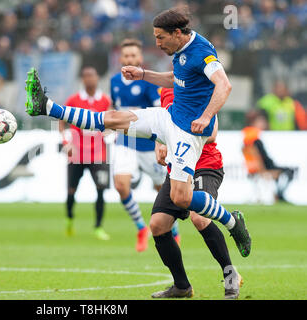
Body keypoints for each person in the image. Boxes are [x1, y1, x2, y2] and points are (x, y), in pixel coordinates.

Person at [24, 9, 252, 293]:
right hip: (168, 119)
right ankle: (47, 107)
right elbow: (176, 79)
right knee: (113, 118)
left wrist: (206, 117)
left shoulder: (202, 51)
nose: (156, 43)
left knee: (184, 199)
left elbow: (224, 84)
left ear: (177, 34)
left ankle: (232, 223)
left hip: (187, 135)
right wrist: (144, 74)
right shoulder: (182, 53)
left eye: (160, 37)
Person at [152, 87, 242, 299]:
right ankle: (182, 286)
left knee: (199, 217)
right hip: (178, 170)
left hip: (205, 165)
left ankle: (231, 276)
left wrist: (170, 140)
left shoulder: (203, 86)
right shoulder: (166, 90)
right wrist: (159, 141)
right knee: (158, 225)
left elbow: (211, 134)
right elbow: (160, 124)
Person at [110, 38, 172, 252]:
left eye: (133, 56)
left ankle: (172, 231)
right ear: (121, 59)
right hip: (124, 141)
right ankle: (140, 227)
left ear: (140, 58)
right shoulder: (114, 81)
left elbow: (160, 113)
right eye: (126, 56)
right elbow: (115, 110)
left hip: (147, 144)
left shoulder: (147, 82)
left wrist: (160, 143)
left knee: (163, 191)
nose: (130, 59)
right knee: (120, 185)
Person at [59, 66, 111, 240]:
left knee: (101, 190)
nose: (89, 78)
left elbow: (113, 121)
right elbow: (62, 122)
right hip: (77, 154)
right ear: (82, 79)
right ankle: (69, 218)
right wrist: (66, 141)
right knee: (71, 191)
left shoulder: (105, 100)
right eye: (86, 76)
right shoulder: (73, 100)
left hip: (99, 154)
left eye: (92, 75)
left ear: (97, 78)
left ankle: (98, 227)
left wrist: (110, 132)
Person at [242, 109, 296, 202]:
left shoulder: (248, 137)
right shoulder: (254, 138)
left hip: (260, 168)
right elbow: (260, 158)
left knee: (284, 172)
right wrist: (262, 171)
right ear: (254, 122)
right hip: (266, 168)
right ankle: (280, 195)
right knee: (289, 171)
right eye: (261, 121)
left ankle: (278, 194)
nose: (264, 123)